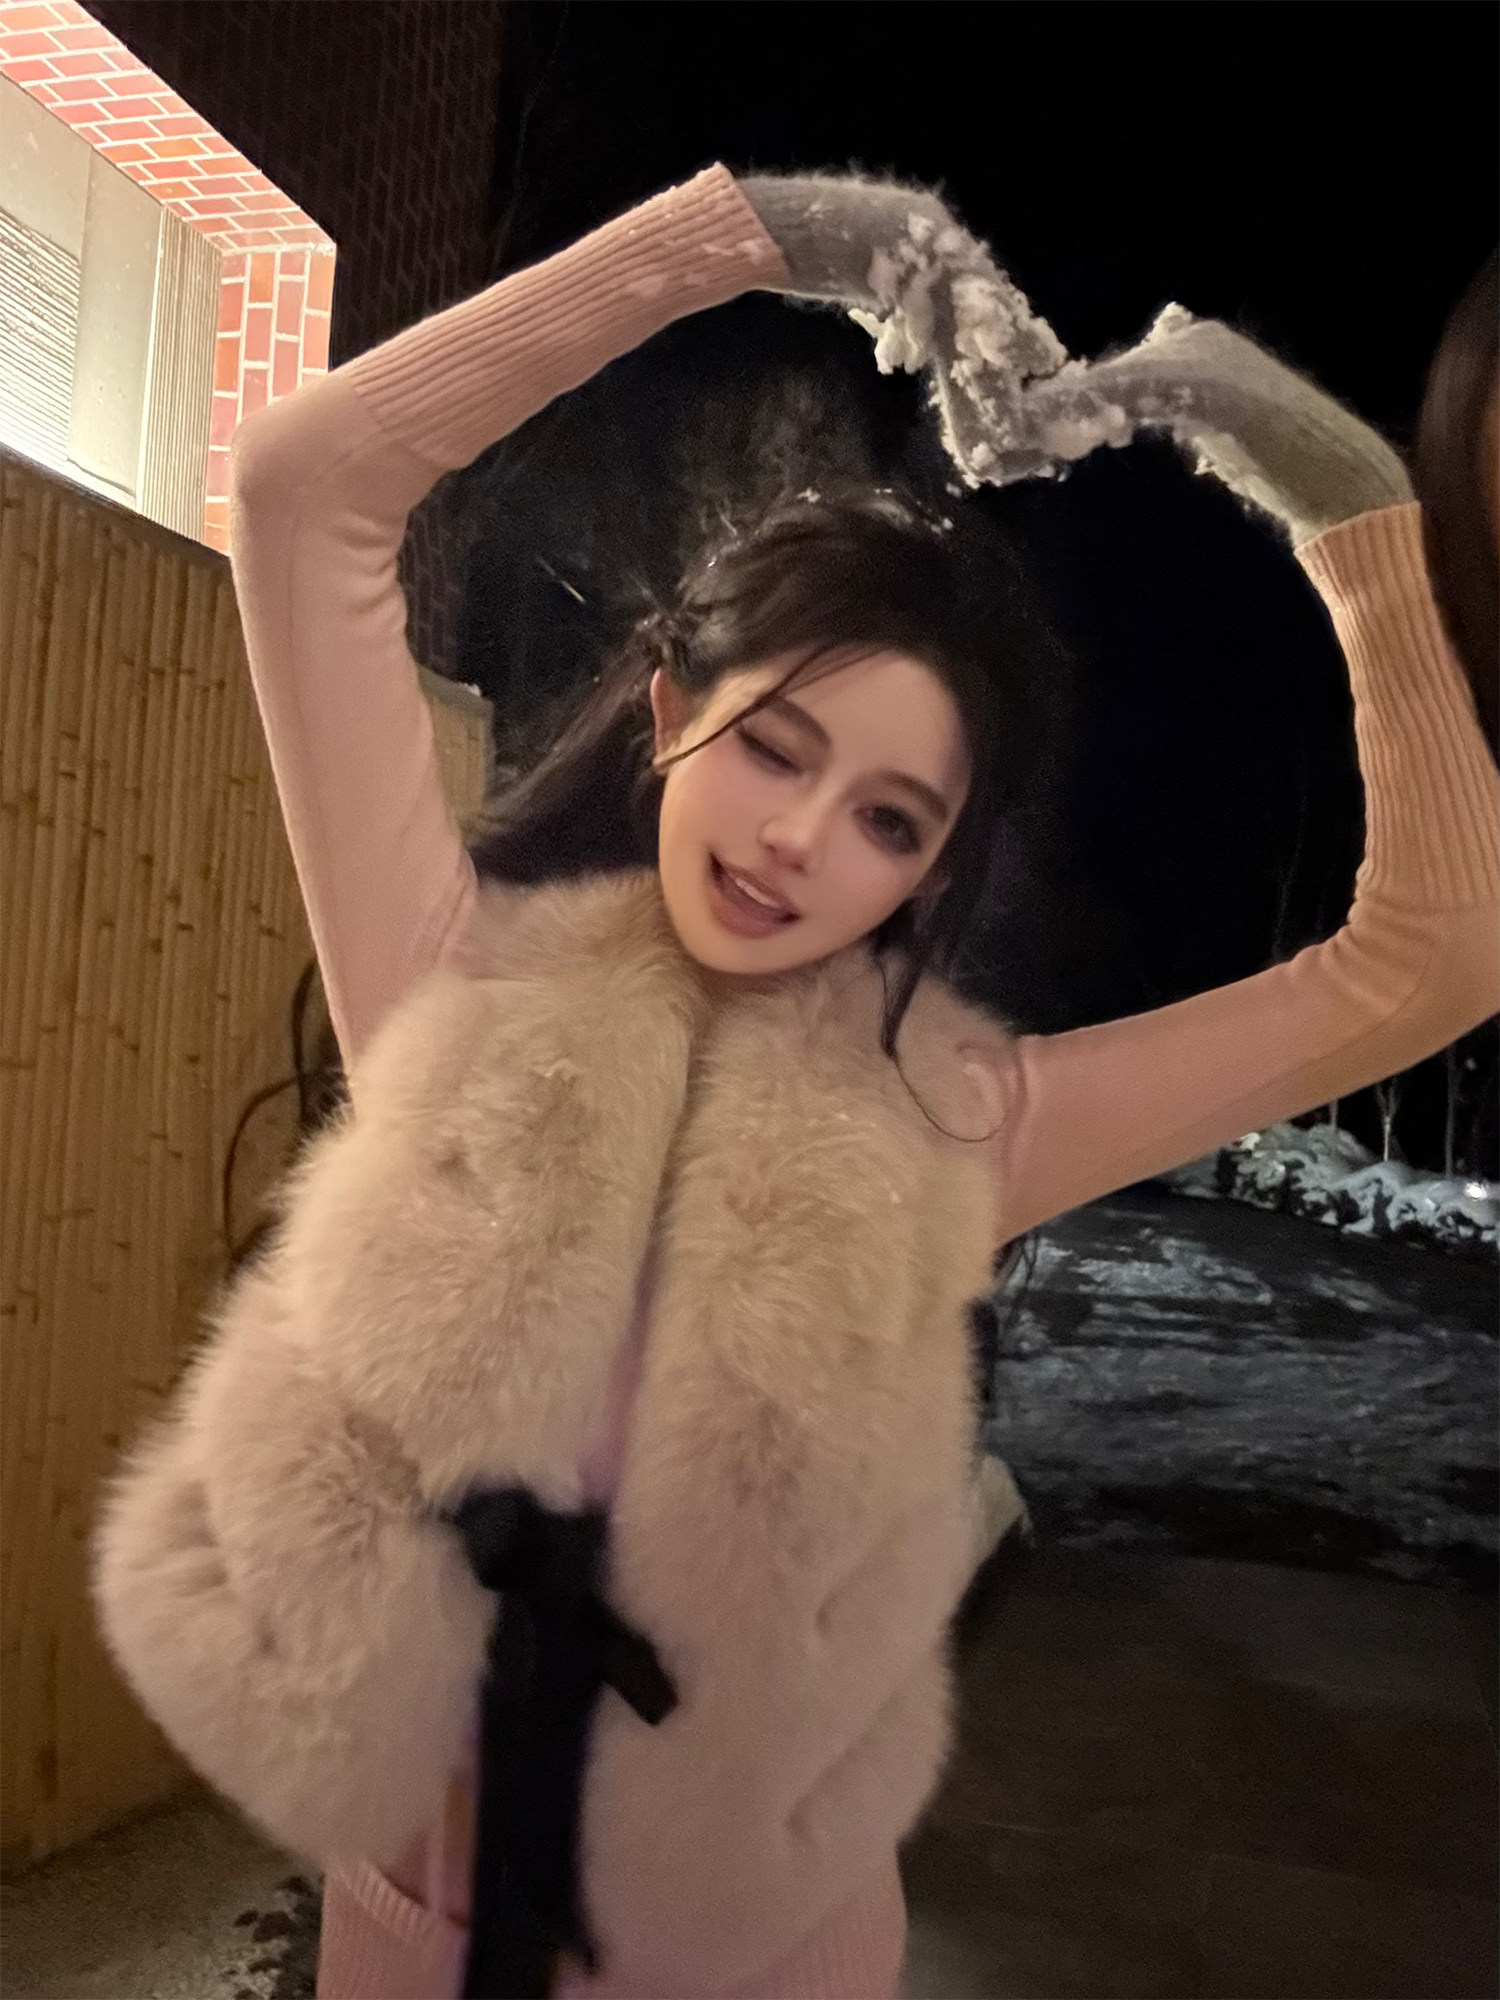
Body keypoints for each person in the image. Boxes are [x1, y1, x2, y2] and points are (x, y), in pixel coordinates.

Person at [91, 167, 1498, 2000]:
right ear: (674, 714)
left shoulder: (954, 1128)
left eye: (890, 819)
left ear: (928, 874)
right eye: (777, 746)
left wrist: (1314, 469)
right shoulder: (453, 994)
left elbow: (1436, 952)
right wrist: (780, 238)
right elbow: (304, 489)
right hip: (415, 1941)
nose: (800, 840)